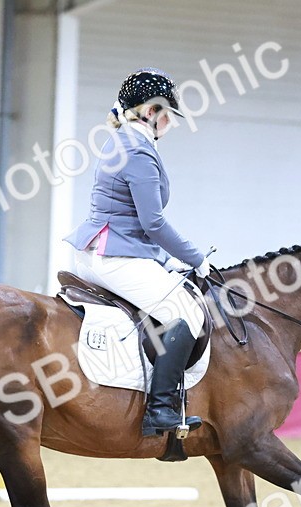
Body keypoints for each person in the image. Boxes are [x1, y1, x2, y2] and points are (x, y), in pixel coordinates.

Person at [63, 67, 212, 438]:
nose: (171, 124)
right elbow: (154, 223)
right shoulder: (137, 150)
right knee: (187, 314)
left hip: (107, 249)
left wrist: (165, 261)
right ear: (150, 111)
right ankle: (161, 410)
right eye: (167, 115)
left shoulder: (124, 141)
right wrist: (196, 258)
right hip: (114, 256)